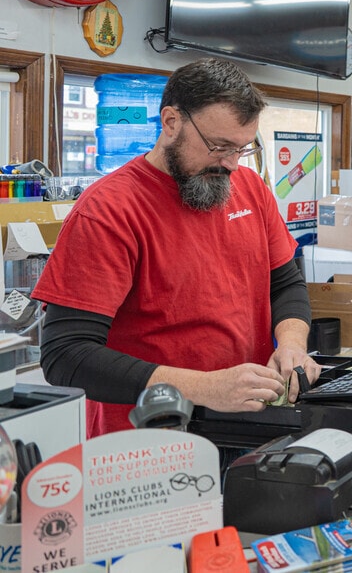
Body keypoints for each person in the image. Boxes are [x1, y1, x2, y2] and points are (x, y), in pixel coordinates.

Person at [32, 58, 321, 437]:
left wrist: (293, 345)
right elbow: (66, 355)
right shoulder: (108, 211)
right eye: (219, 147)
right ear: (171, 123)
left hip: (247, 424)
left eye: (242, 149)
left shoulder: (250, 188)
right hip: (148, 442)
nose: (232, 164)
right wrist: (206, 388)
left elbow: (284, 284)